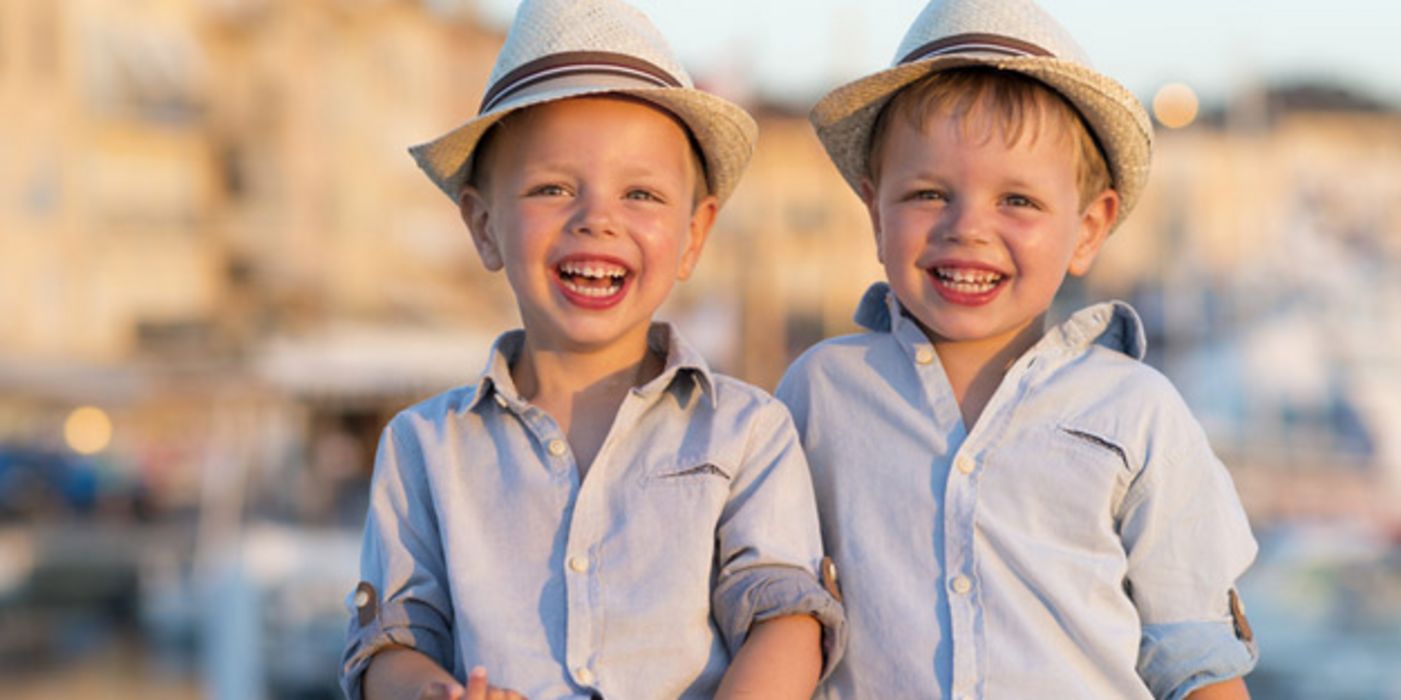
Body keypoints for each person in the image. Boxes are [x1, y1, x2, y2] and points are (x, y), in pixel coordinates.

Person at [339, 1, 844, 698]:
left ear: (693, 235)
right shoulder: (423, 448)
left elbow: (785, 618)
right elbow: (392, 642)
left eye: (640, 193)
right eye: (552, 188)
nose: (597, 219)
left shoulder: (747, 433)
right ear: (484, 226)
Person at [776, 0, 1257, 697]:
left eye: (1018, 203)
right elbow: (776, 606)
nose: (967, 228)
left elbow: (1193, 653)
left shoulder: (1136, 411)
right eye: (927, 193)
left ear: (1088, 229)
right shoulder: (819, 391)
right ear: (873, 213)